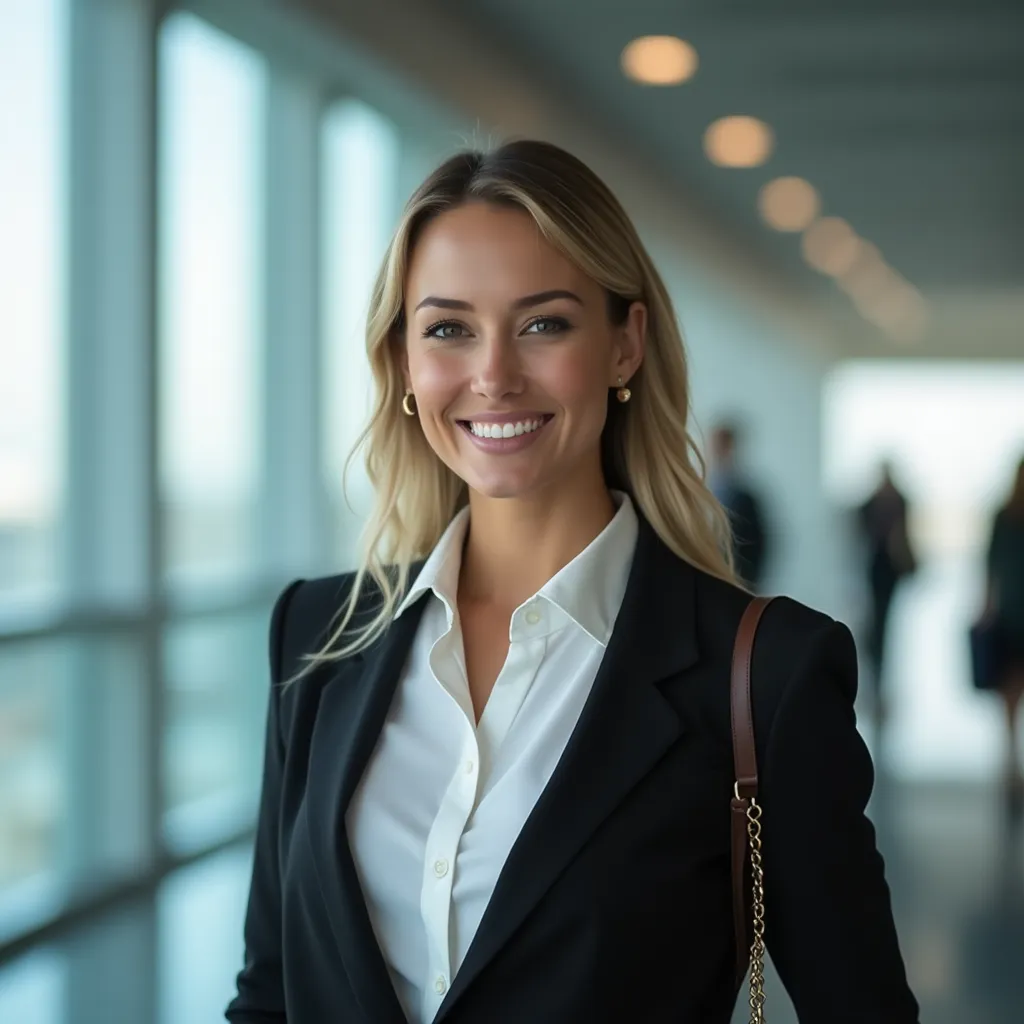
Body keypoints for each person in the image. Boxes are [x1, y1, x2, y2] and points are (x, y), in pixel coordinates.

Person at [226, 140, 918, 1024]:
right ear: (404, 359)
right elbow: (270, 991)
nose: (493, 374)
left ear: (625, 345)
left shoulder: (765, 673)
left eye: (544, 323)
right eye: (447, 328)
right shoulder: (320, 633)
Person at [857, 461, 917, 721]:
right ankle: (877, 678)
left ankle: (881, 679)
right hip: (874, 572)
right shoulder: (869, 505)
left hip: (890, 573)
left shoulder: (899, 502)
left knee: (883, 626)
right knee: (876, 627)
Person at [981, 456, 1024, 818]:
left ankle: (1012, 772)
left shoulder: (1003, 515)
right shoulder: (1003, 517)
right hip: (1013, 619)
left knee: (1010, 704)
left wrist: (987, 607)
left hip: (1010, 616)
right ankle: (1012, 772)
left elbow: (990, 568)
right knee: (1010, 702)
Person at [708, 420, 770, 591]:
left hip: (739, 584)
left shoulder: (744, 496)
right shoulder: (703, 489)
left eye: (721, 445)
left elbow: (759, 545)